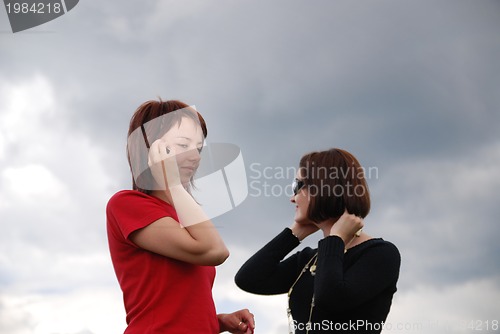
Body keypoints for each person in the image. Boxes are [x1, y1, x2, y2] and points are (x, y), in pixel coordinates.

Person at [106, 99, 255, 334]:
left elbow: (173, 305)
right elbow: (215, 251)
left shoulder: (183, 214)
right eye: (183, 144)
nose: (195, 157)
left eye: (198, 148)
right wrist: (172, 184)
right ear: (150, 147)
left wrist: (216, 321)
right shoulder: (127, 204)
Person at [235, 148, 400, 334]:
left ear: (322, 187)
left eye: (297, 186)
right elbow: (249, 279)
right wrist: (294, 234)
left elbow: (331, 299)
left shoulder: (380, 254)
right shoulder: (310, 260)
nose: (292, 198)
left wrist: (335, 238)